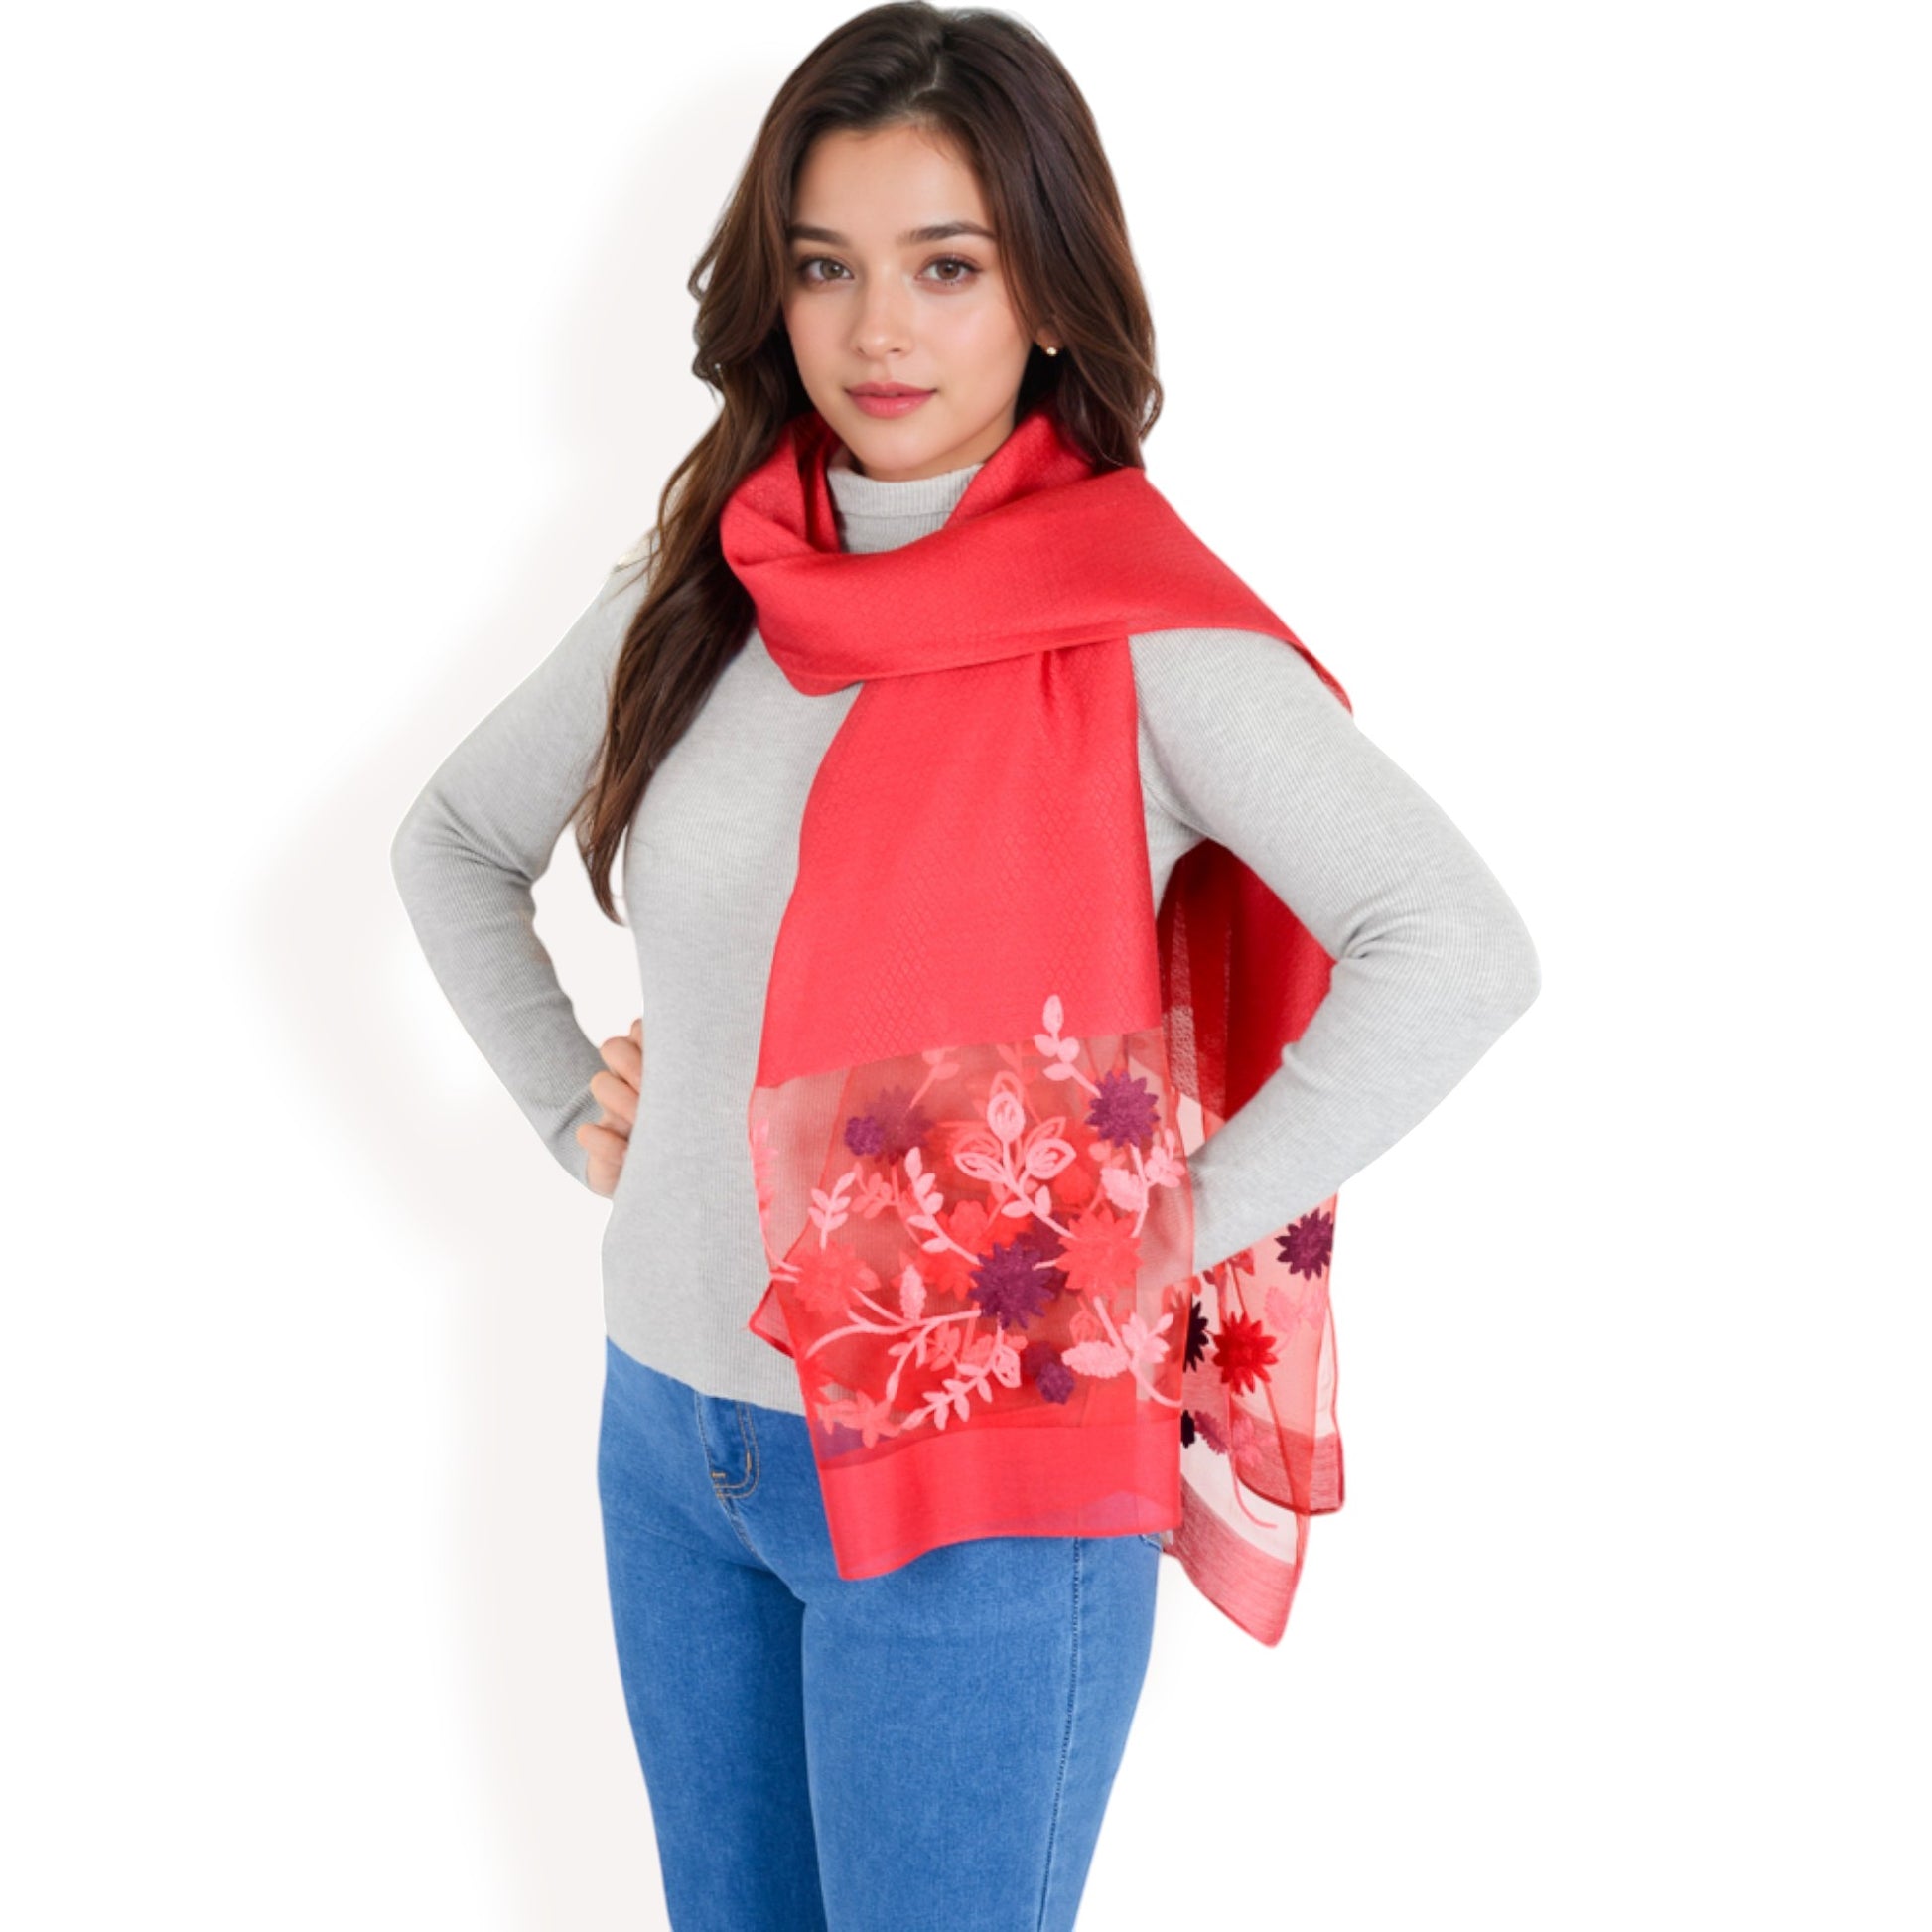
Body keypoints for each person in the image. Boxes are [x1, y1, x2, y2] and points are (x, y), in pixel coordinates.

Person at [389, 6, 1541, 1927]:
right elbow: (449, 841)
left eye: (946, 267)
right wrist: (560, 1094)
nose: (877, 332)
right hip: (674, 1441)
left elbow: (1455, 945)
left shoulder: (1140, 632)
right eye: (823, 267)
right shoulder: (705, 586)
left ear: (1051, 292)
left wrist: (1159, 1228)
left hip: (984, 1485)